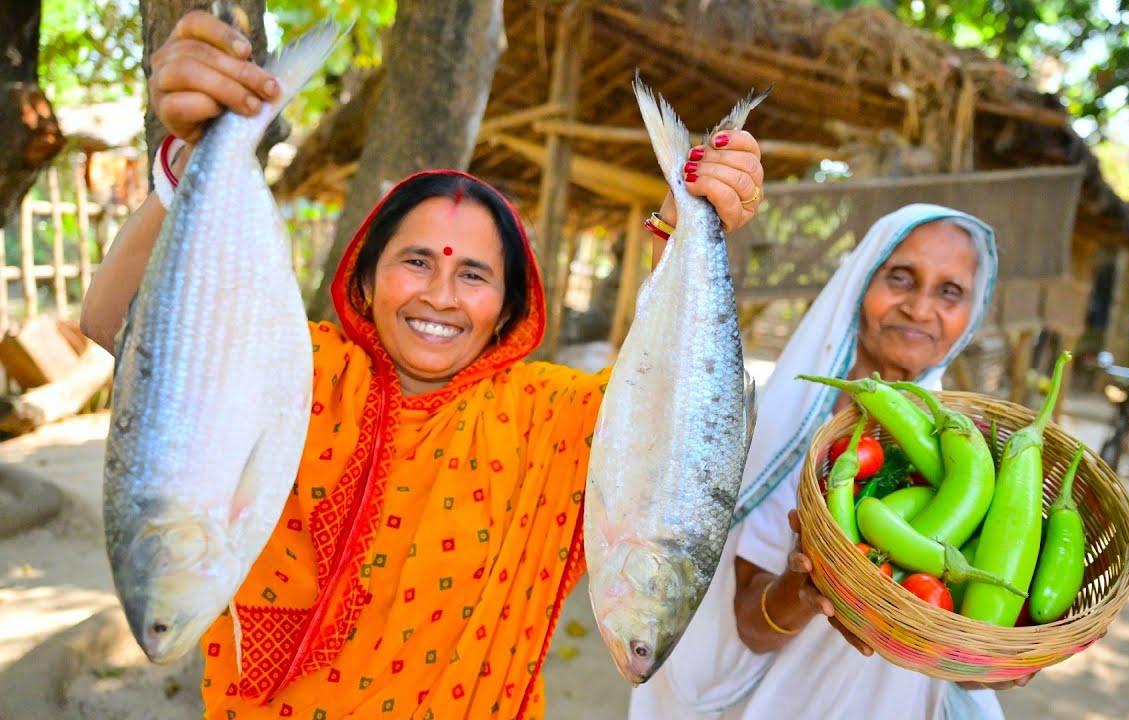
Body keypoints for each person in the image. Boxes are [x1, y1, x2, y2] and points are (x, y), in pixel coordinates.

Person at [79, 11, 765, 719]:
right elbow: (112, 322)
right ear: (366, 279)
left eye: (473, 274)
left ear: (506, 307)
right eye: (415, 262)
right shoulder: (297, 364)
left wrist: (684, 225)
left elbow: (671, 425)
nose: (440, 294)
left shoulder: (553, 419)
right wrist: (191, 161)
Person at [630, 204, 1032, 720]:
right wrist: (807, 588)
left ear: (971, 314)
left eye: (949, 291)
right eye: (901, 278)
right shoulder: (789, 429)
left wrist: (1003, 649)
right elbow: (750, 629)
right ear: (860, 285)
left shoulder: (973, 452)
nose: (920, 307)